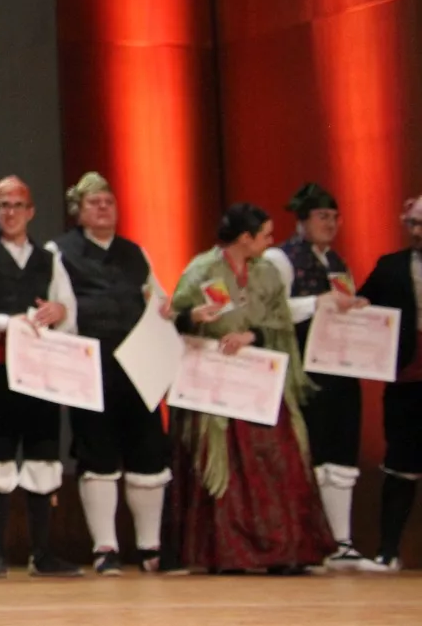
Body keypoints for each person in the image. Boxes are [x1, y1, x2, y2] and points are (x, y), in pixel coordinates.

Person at [165, 203, 334, 573]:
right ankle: (228, 553)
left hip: (257, 379)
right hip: (215, 383)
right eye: (266, 235)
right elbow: (173, 319)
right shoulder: (201, 271)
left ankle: (284, 551)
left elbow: (280, 321)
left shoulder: (267, 273)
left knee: (277, 459)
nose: (271, 242)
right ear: (245, 238)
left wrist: (251, 334)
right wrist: (192, 318)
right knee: (224, 462)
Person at [48, 172, 174, 575]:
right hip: (91, 365)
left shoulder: (136, 253)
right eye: (94, 202)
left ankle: (150, 547)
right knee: (96, 452)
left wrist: (170, 313)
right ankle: (106, 549)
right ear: (77, 211)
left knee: (148, 451)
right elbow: (61, 308)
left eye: (109, 202)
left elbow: (157, 299)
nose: (103, 208)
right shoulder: (59, 251)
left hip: (138, 365)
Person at [262, 182, 383, 571]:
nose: (330, 224)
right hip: (302, 369)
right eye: (321, 217)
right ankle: (310, 540)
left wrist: (356, 308)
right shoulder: (280, 259)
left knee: (340, 450)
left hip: (339, 368)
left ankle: (341, 541)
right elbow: (271, 312)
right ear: (302, 222)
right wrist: (317, 303)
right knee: (309, 451)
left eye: (334, 217)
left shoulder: (337, 263)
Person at [0, 176, 82, 579]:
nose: (11, 212)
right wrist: (8, 322)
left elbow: (67, 311)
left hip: (41, 375)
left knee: (43, 457)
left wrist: (59, 314)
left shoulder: (49, 260)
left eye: (18, 205)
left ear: (31, 212)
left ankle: (43, 552)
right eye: (4, 206)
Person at [358, 193, 422, 570]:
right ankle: (387, 552)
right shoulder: (391, 266)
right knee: (400, 464)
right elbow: (364, 304)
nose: (417, 232)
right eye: (413, 224)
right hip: (406, 379)